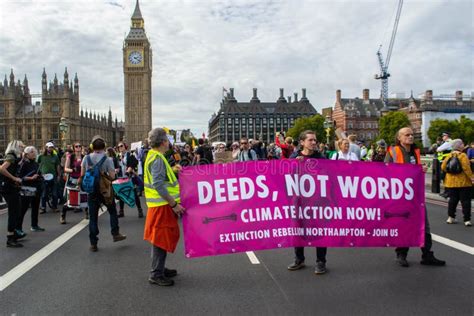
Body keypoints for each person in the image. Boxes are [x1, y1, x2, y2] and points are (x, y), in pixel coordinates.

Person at [385, 127, 445, 267]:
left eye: (412, 134)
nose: (410, 137)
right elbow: (385, 171)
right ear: (399, 138)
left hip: (416, 195)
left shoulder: (416, 152)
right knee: (404, 224)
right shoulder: (393, 151)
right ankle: (401, 254)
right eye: (407, 135)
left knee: (424, 224)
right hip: (400, 196)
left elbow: (417, 170)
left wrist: (421, 169)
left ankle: (427, 254)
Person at [144, 128, 185, 286]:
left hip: (159, 205)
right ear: (162, 142)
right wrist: (174, 204)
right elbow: (158, 185)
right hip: (161, 205)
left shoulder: (154, 155)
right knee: (160, 239)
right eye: (167, 140)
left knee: (160, 238)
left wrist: (174, 170)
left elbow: (161, 177)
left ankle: (159, 268)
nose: (169, 142)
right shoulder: (158, 159)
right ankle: (155, 273)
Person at [288, 130, 328, 274]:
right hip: (299, 200)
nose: (313, 142)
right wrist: (294, 165)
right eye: (310, 140)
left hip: (317, 201)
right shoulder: (294, 157)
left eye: (315, 140)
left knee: (320, 228)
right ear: (302, 142)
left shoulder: (321, 158)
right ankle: (299, 259)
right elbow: (285, 177)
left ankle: (321, 261)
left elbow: (329, 175)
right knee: (299, 229)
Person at [79, 135, 126, 252]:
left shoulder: (86, 158)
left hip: (92, 191)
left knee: (93, 217)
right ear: (104, 146)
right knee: (112, 211)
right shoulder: (108, 159)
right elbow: (112, 177)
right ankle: (115, 233)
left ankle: (93, 243)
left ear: (91, 146)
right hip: (105, 191)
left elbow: (82, 174)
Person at [441, 139, 472, 226]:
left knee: (452, 201)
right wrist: (472, 178)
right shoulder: (463, 155)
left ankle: (451, 218)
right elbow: (466, 169)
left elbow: (443, 167)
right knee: (465, 201)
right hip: (463, 182)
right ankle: (467, 220)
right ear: (459, 146)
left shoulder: (449, 155)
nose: (463, 145)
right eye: (462, 144)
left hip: (451, 183)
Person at [0, 140, 25, 247]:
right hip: (8, 188)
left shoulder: (14, 157)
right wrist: (14, 178)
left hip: (11, 187)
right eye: (21, 146)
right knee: (13, 212)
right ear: (15, 147)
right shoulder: (11, 156)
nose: (23, 148)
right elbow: (2, 168)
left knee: (17, 210)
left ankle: (14, 234)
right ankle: (10, 238)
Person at [18, 146, 45, 233]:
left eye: (34, 151)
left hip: (36, 188)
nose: (34, 153)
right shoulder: (23, 164)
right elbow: (20, 178)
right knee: (23, 209)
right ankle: (18, 228)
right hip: (27, 188)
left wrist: (41, 176)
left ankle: (34, 225)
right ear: (27, 154)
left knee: (35, 207)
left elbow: (39, 174)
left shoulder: (36, 163)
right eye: (32, 152)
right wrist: (31, 178)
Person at [61, 142, 87, 224]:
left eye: (80, 146)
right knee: (71, 199)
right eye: (76, 146)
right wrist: (72, 170)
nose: (78, 148)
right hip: (73, 179)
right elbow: (65, 168)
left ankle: (87, 213)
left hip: (82, 179)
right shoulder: (70, 157)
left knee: (85, 196)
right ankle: (63, 215)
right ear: (74, 148)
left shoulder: (84, 157)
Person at [117, 142, 143, 218]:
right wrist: (116, 169)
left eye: (121, 146)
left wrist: (130, 169)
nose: (120, 148)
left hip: (130, 178)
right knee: (121, 194)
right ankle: (121, 211)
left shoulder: (130, 155)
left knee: (134, 194)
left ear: (125, 147)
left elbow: (134, 163)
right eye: (118, 147)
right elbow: (117, 165)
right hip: (121, 177)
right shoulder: (118, 156)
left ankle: (140, 209)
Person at [38, 142, 61, 213]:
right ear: (46, 148)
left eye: (51, 147)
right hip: (44, 177)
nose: (50, 149)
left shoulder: (55, 156)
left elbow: (57, 166)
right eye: (49, 147)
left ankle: (55, 207)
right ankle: (43, 207)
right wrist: (40, 174)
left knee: (54, 193)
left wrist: (59, 175)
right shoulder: (41, 156)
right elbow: (38, 165)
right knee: (44, 193)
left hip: (53, 177)